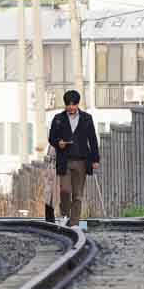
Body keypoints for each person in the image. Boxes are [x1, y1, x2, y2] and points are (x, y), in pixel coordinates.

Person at [48, 89, 100, 228]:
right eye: (68, 104)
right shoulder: (58, 119)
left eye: (73, 104)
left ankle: (74, 222)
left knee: (77, 194)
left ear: (77, 104)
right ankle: (64, 214)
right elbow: (51, 138)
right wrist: (58, 143)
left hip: (82, 161)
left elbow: (93, 139)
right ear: (65, 105)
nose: (70, 107)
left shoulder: (87, 118)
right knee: (65, 190)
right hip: (64, 160)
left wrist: (96, 159)